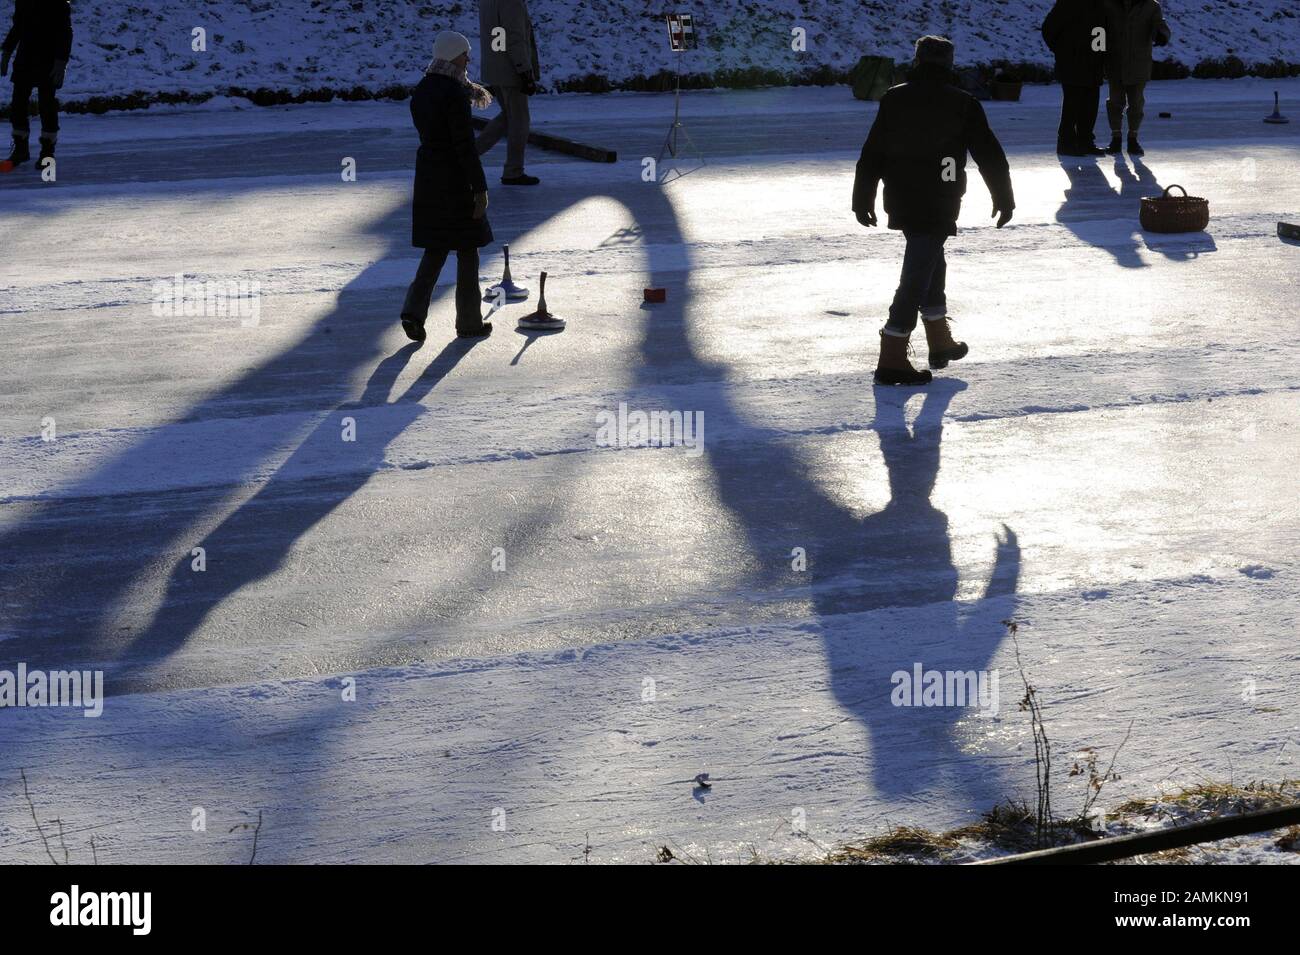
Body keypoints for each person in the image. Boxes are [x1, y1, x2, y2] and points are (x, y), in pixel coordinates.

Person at [853, 36, 1015, 387]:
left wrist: (862, 196)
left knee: (930, 259)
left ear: (917, 61)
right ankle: (892, 354)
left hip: (901, 193)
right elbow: (988, 153)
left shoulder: (894, 97)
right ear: (949, 63)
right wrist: (1003, 196)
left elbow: (873, 152)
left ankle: (939, 339)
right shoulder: (962, 102)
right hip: (940, 196)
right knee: (917, 271)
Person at [402, 31, 495, 341]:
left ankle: (413, 312)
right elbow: (464, 147)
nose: (468, 58)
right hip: (456, 181)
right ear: (451, 55)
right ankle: (469, 323)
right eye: (464, 53)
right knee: (468, 251)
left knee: (436, 248)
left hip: (429, 177)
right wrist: (479, 188)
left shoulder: (423, 89)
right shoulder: (455, 93)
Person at [1, 0, 72, 170]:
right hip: (25, 58)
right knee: (18, 103)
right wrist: (7, 50)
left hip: (48, 60)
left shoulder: (59, 3)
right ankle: (20, 149)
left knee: (46, 105)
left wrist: (61, 62)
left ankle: (47, 152)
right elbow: (18, 26)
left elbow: (65, 32)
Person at [475, 0, 541, 185]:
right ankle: (513, 170)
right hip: (510, 70)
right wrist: (524, 71)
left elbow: (499, 36)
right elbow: (514, 37)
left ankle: (469, 154)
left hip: (496, 66)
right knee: (520, 119)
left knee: (508, 116)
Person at [1102, 0, 1171, 156]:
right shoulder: (1108, 4)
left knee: (1136, 103)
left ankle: (1133, 138)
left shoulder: (1151, 6)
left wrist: (1162, 35)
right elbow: (1099, 29)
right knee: (1114, 102)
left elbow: (1159, 24)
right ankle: (1116, 137)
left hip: (1138, 63)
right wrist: (1097, 51)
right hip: (1115, 62)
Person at [1042, 0, 1106, 156]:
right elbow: (1048, 29)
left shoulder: (1100, 5)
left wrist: (1101, 55)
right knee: (1073, 105)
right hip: (1072, 63)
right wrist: (1062, 51)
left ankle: (1085, 141)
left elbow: (1101, 31)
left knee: (1090, 105)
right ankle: (1066, 143)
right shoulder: (1067, 3)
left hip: (1092, 63)